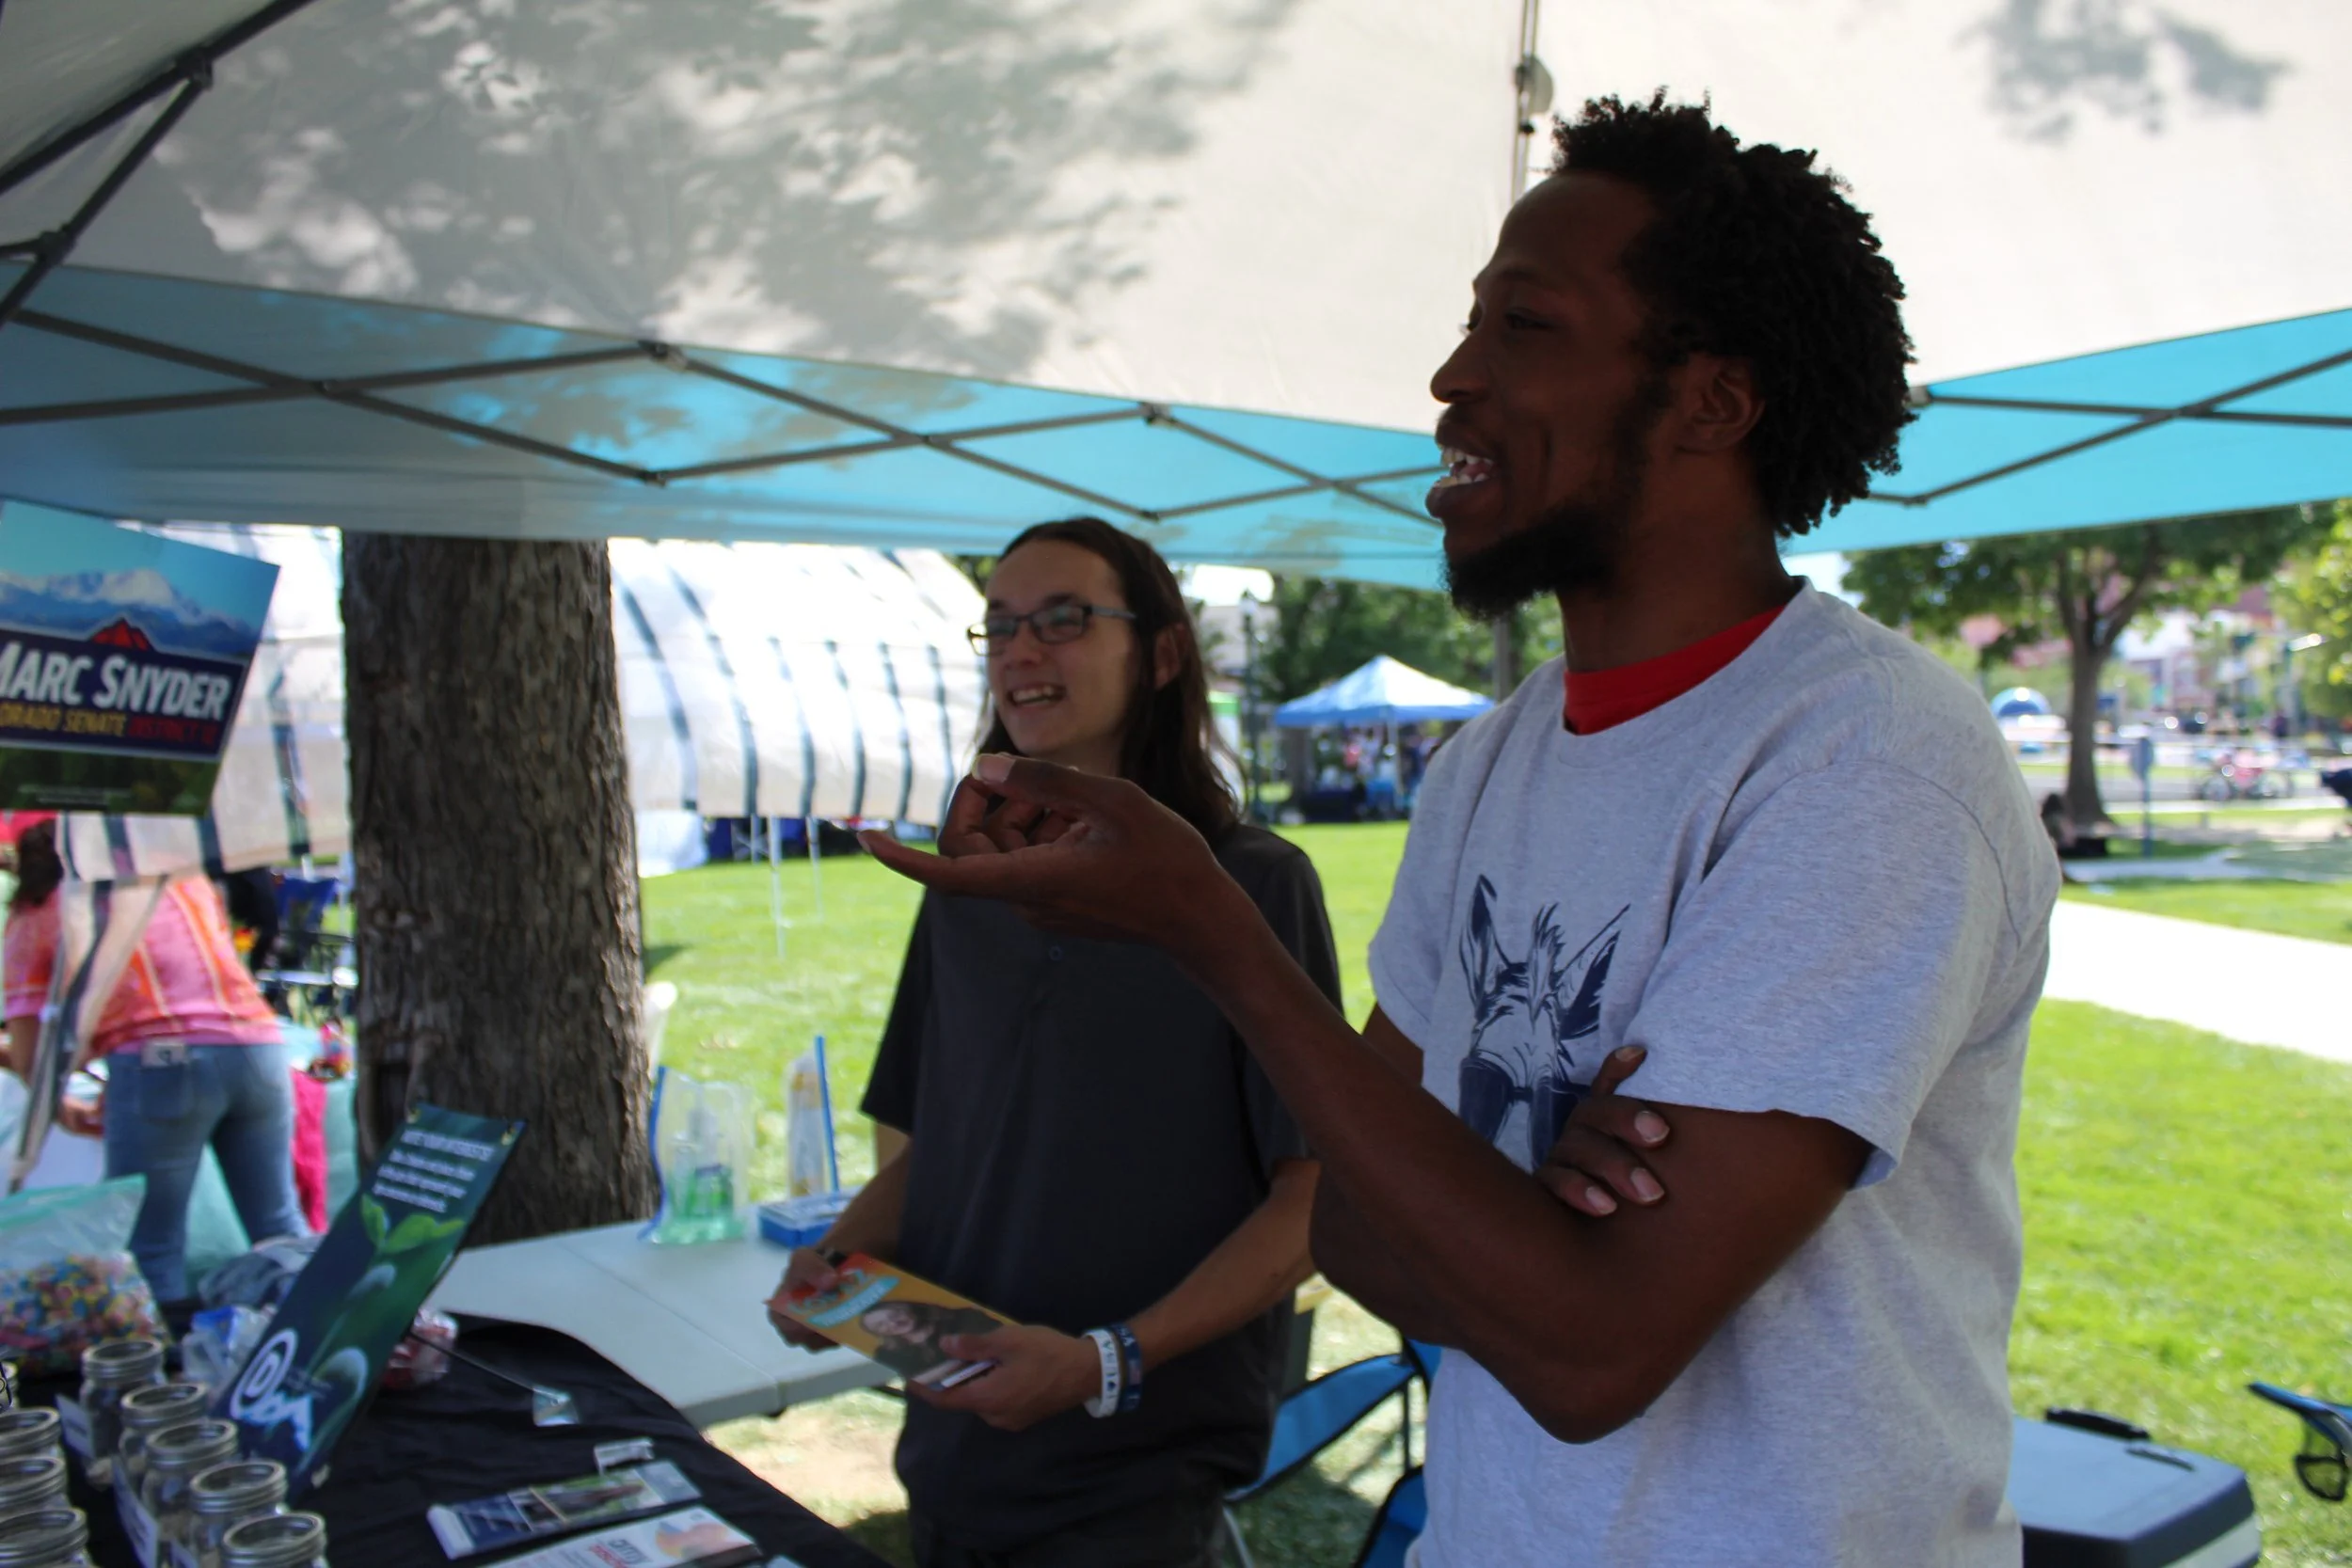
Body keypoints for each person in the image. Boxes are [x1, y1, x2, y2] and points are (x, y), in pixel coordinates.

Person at [860, 94, 2058, 1567]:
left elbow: (1588, 1355)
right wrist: (1524, 1188)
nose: (1450, 375)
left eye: (1523, 327)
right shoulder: (1493, 762)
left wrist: (1221, 939)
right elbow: (1363, 1241)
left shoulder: (1867, 767)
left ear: (1712, 401)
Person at [766, 517, 1340, 1568]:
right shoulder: (964, 888)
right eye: (998, 627)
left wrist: (1101, 1361)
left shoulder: (1251, 885)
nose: (1022, 651)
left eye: (1064, 619)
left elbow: (1309, 1204)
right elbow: (948, 1145)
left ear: (1162, 653)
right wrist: (835, 1262)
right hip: (950, 1452)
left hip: (1135, 1484)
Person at [3, 821, 309, 1307]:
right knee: (281, 1230)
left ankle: (160, 1378)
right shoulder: (178, 878)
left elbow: (29, 1053)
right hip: (260, 1047)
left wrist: (62, 1105)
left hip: (161, 1060)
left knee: (152, 1248)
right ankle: (315, 1348)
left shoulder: (40, 909)